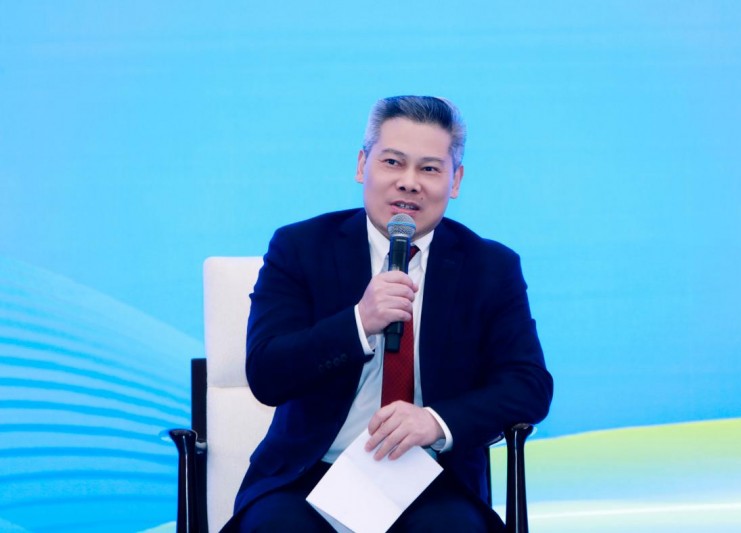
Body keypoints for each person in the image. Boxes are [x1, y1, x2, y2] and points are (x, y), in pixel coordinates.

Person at [224, 95, 553, 532]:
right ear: (363, 165)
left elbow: (528, 385)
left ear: (455, 180)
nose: (409, 183)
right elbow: (268, 373)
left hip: (432, 478)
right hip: (309, 474)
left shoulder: (490, 267)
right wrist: (359, 323)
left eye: (429, 169)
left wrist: (434, 421)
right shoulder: (300, 248)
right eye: (393, 162)